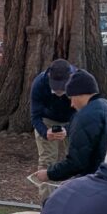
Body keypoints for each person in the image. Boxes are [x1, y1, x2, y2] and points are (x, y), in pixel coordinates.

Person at [33, 70, 107, 185]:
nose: (72, 104)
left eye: (71, 98)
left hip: (98, 184)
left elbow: (76, 162)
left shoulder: (85, 116)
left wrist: (49, 173)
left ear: (79, 94)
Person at [29, 59, 76, 200]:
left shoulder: (79, 81)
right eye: (56, 88)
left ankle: (75, 202)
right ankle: (47, 204)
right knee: (46, 162)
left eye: (63, 89)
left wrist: (67, 129)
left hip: (74, 120)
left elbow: (83, 112)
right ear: (49, 76)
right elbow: (35, 116)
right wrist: (45, 132)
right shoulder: (39, 84)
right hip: (47, 120)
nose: (59, 93)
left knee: (77, 161)